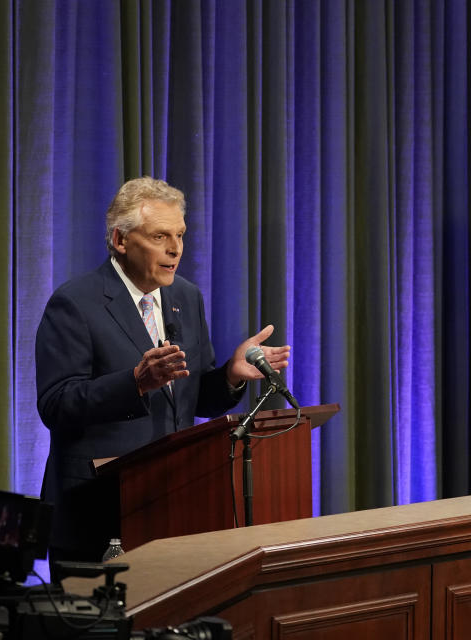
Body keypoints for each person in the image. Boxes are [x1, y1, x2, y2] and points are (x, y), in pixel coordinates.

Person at [35, 176, 290, 568]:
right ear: (121, 240)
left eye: (180, 235)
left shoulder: (185, 297)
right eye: (159, 237)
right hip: (96, 514)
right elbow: (56, 404)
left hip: (171, 507)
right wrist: (134, 384)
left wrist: (230, 375)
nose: (175, 249)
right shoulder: (75, 303)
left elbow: (193, 398)